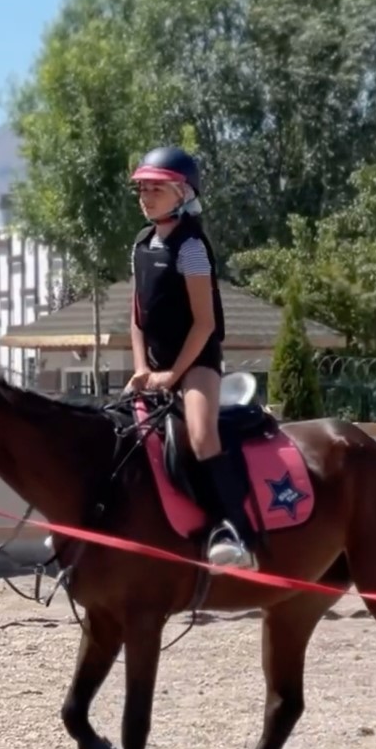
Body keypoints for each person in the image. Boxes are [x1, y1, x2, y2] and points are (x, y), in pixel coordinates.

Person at [124, 144, 258, 571]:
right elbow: (137, 318)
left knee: (200, 436)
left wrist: (172, 375)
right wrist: (143, 369)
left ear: (183, 193)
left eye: (156, 189)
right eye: (143, 188)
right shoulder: (141, 245)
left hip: (196, 365)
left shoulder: (192, 247)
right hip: (156, 368)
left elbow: (203, 325)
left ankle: (231, 529)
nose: (146, 196)